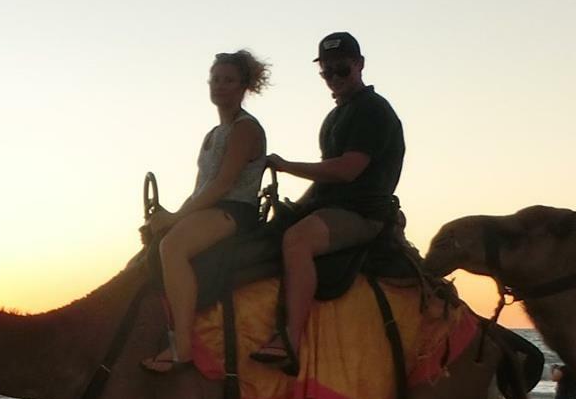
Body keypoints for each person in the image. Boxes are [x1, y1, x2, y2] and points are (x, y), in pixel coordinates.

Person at [252, 33, 404, 374]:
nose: (334, 78)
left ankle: (290, 337)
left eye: (342, 70)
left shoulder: (371, 111)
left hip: (362, 213)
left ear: (360, 65)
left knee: (297, 241)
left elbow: (347, 170)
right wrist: (296, 207)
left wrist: (286, 166)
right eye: (327, 72)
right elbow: (326, 179)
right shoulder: (338, 115)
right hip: (333, 206)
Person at [139, 50, 271, 372]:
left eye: (228, 80)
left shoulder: (245, 129)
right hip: (211, 207)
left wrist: (175, 219)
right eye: (215, 79)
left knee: (172, 248)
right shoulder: (213, 134)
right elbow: (203, 188)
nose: (220, 86)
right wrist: (169, 216)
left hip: (234, 210)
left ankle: (182, 348)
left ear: (244, 86)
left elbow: (223, 184)